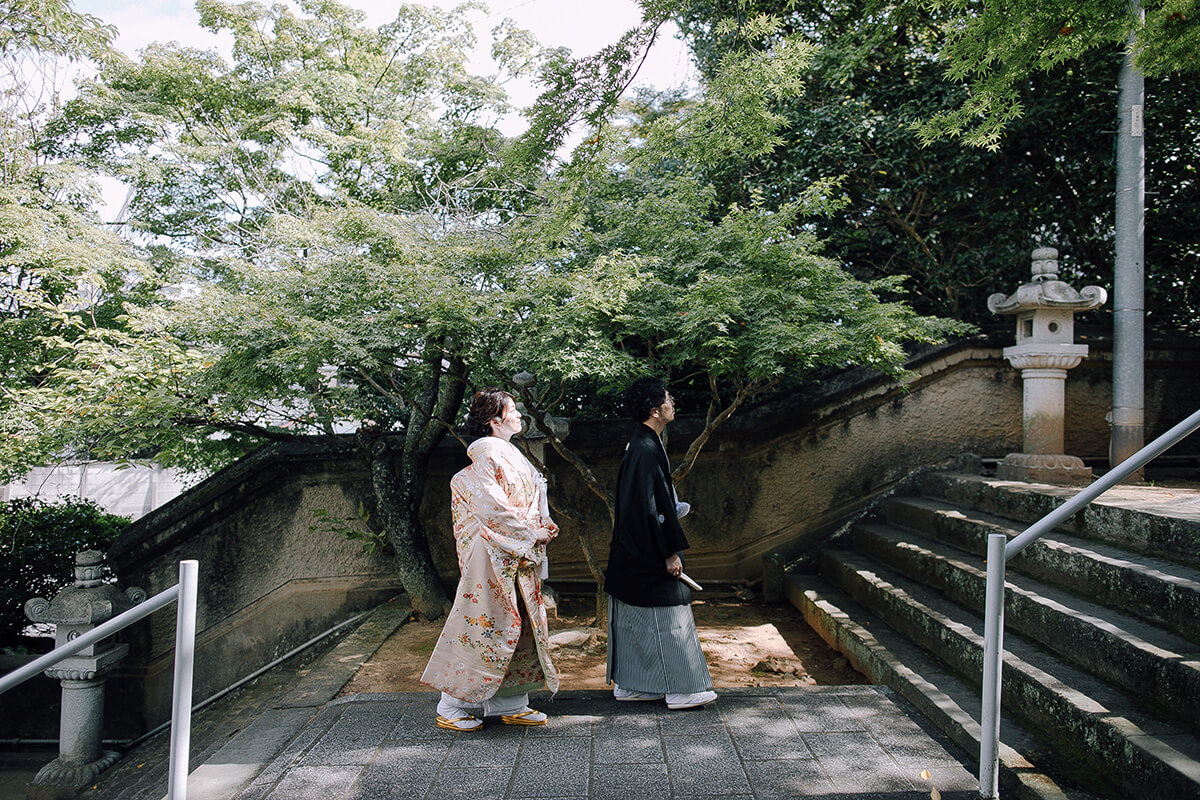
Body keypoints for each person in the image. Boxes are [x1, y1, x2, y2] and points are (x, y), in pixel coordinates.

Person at [420, 388, 560, 731]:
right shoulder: (488, 457)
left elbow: (525, 500)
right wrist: (531, 534)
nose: (518, 416)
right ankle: (452, 705)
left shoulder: (506, 453)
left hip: (511, 552)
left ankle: (510, 702)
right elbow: (492, 508)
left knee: (520, 624)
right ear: (494, 420)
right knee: (482, 626)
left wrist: (543, 522)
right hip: (491, 557)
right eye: (512, 411)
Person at [604, 377, 717, 710]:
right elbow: (649, 508)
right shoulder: (645, 448)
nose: (673, 403)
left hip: (633, 550)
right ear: (654, 410)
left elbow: (648, 502)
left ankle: (633, 684)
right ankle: (683, 689)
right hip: (649, 549)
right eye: (668, 399)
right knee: (670, 615)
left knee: (633, 617)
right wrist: (669, 553)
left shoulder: (642, 444)